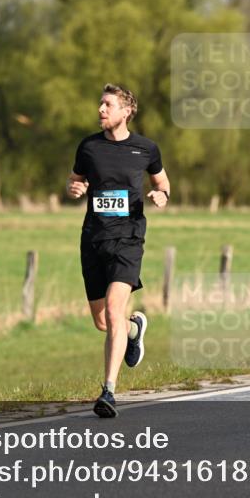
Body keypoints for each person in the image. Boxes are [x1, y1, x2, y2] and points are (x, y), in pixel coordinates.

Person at [67, 84, 170, 417]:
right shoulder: (89, 147)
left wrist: (161, 196)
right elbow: (76, 179)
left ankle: (108, 392)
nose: (100, 109)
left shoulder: (146, 149)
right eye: (99, 103)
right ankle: (134, 329)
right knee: (103, 322)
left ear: (126, 111)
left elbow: (162, 183)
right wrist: (75, 187)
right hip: (93, 238)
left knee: (113, 311)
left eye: (107, 104)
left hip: (128, 239)